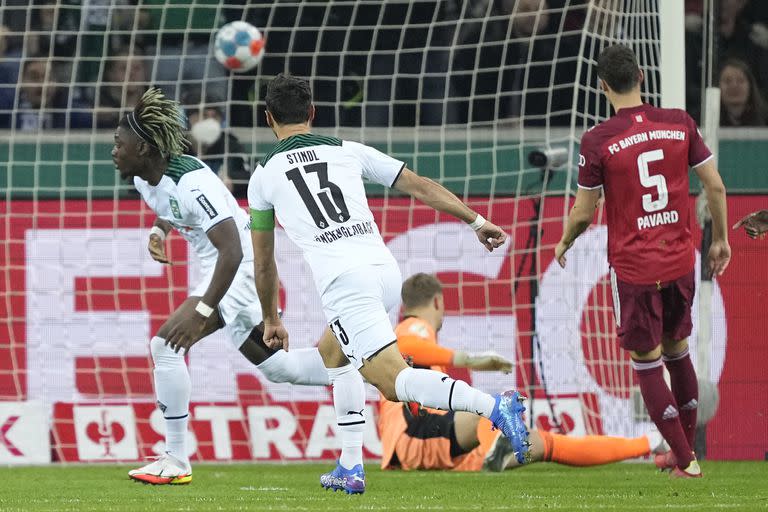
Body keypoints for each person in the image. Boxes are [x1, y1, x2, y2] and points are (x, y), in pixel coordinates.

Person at [247, 73, 530, 495]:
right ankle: (349, 464)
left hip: (346, 283)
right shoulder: (349, 151)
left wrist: (271, 318)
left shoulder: (263, 177)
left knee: (391, 382)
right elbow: (419, 186)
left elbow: (265, 263)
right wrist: (477, 220)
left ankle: (494, 406)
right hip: (384, 272)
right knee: (335, 354)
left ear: (268, 118)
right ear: (312, 113)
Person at [111, 87, 345, 485]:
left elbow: (232, 250)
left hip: (240, 266)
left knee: (164, 346)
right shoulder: (146, 179)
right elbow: (171, 208)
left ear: (146, 149)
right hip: (223, 266)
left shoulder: (193, 183)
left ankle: (176, 458)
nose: (114, 150)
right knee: (280, 368)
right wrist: (159, 230)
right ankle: (371, 369)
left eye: (120, 143)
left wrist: (203, 309)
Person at [554, 45, 731, 479]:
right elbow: (716, 187)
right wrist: (721, 240)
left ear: (602, 86)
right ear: (641, 78)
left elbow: (582, 212)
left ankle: (685, 458)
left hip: (634, 269)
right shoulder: (679, 123)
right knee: (678, 351)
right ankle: (684, 452)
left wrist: (563, 242)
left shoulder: (598, 139)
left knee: (646, 360)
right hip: (677, 261)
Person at [381, 273, 666, 472]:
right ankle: (497, 442)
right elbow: (406, 344)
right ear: (438, 303)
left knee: (545, 443)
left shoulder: (412, 334)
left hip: (437, 443)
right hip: (415, 433)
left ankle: (650, 441)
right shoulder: (413, 326)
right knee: (489, 407)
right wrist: (468, 359)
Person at [719, 58, 768, 127]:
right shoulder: (704, 118)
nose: (734, 86)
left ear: (750, 86)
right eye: (727, 81)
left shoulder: (765, 118)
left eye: (740, 81)